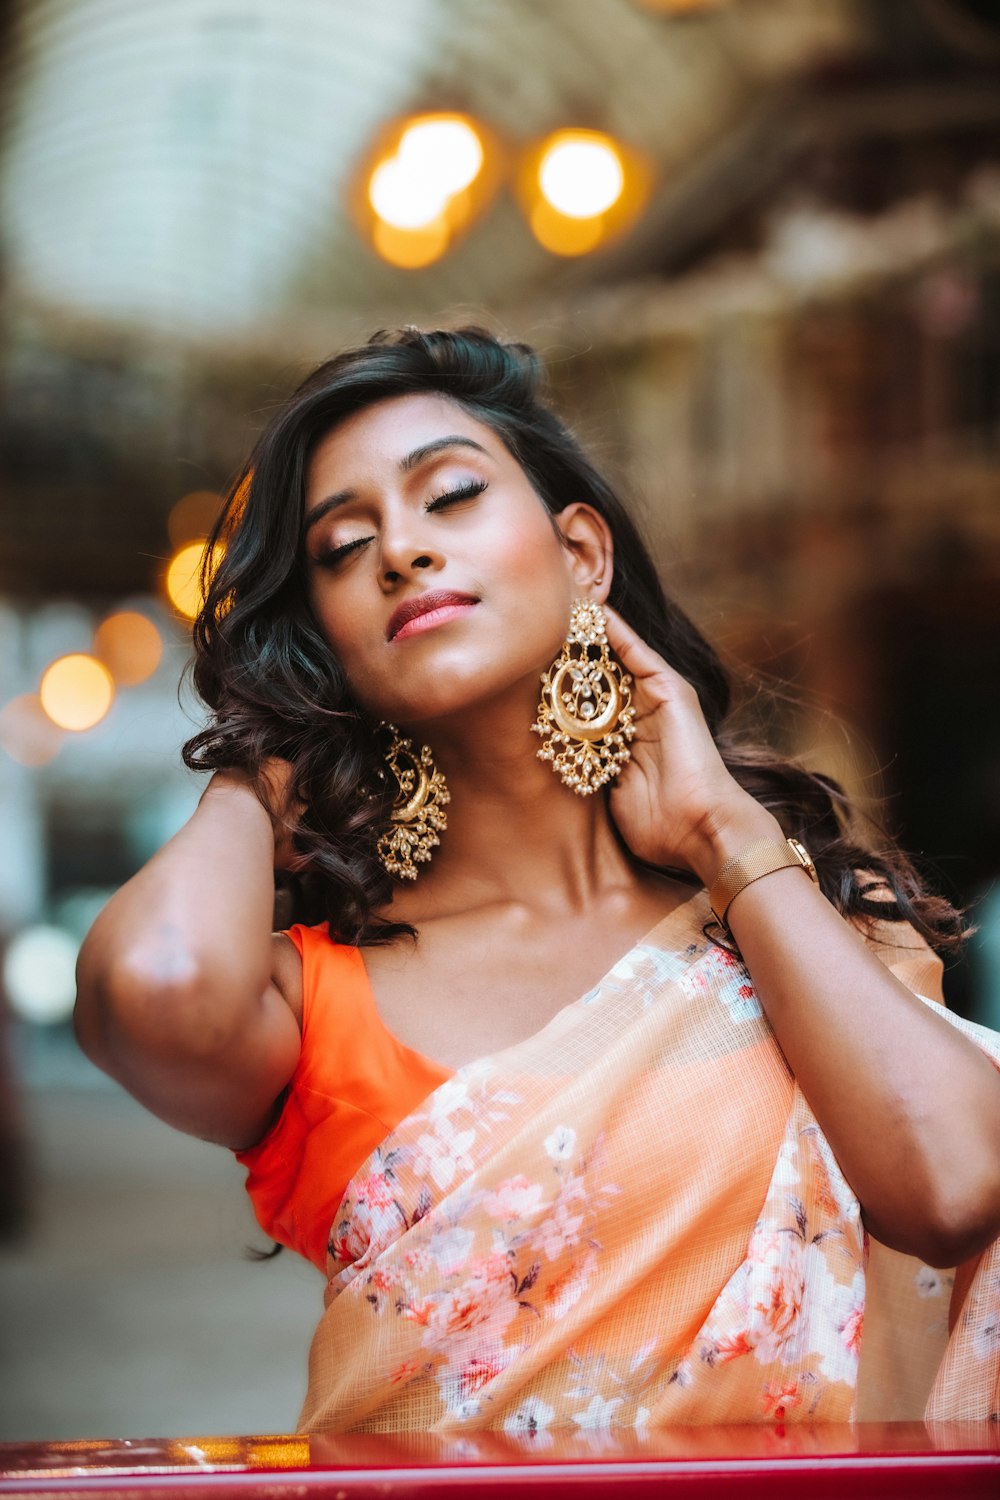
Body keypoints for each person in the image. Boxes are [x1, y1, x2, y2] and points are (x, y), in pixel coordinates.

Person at [75, 326, 1000, 1434]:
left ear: (581, 555)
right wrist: (264, 764)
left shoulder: (805, 923)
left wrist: (724, 836)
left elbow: (953, 1185)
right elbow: (158, 982)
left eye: (451, 495)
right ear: (326, 640)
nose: (400, 552)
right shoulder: (316, 1000)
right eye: (341, 548)